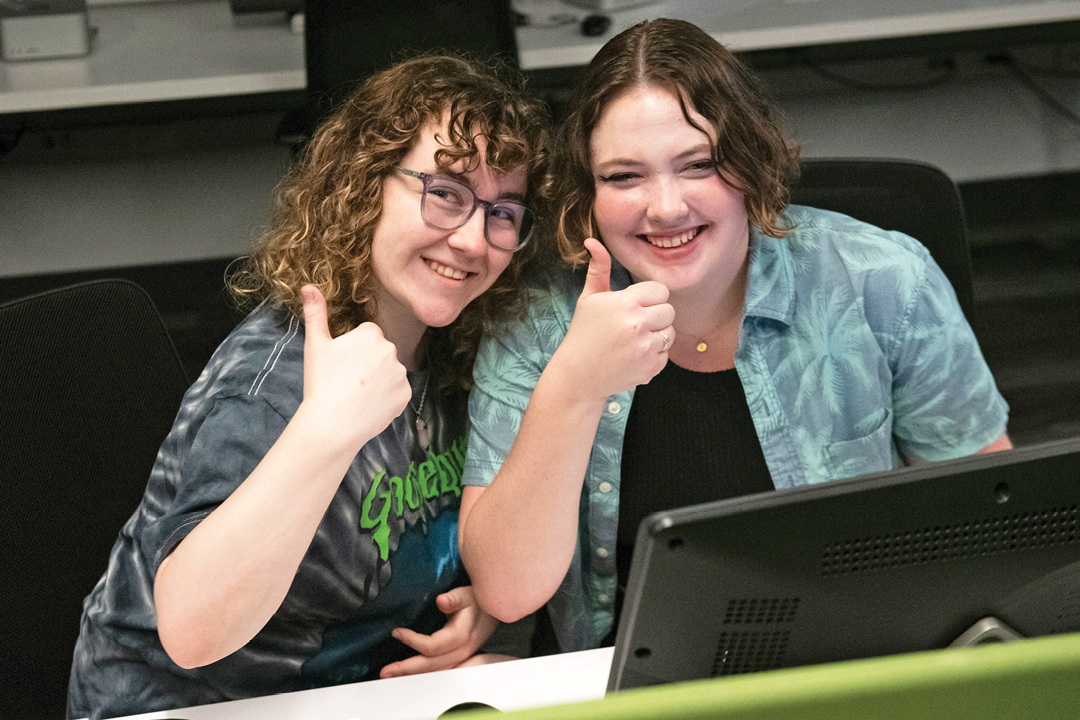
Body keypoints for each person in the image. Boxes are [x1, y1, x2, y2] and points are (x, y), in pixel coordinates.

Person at [457, 18, 1012, 654]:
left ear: (747, 165)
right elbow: (506, 590)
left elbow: (991, 524)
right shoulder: (538, 315)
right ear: (588, 192)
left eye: (698, 165)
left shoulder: (882, 280)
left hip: (854, 653)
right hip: (630, 676)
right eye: (623, 177)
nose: (665, 208)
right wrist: (574, 385)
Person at [67, 54, 550, 720]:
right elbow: (191, 633)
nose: (473, 240)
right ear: (365, 185)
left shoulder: (454, 348)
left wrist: (476, 612)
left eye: (503, 213)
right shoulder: (269, 385)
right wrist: (324, 432)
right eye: (444, 193)